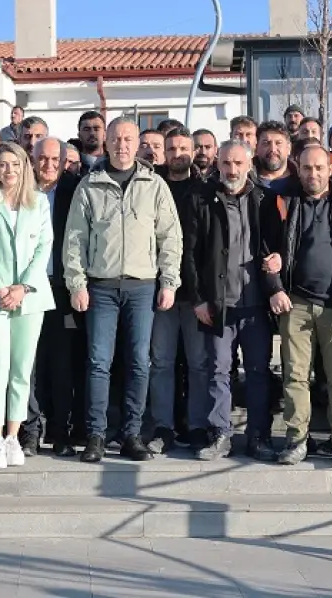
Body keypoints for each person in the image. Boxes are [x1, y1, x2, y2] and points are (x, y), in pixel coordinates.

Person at [62, 116, 182, 463]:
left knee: (139, 362)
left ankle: (132, 434)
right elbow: (75, 239)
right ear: (107, 142)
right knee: (99, 362)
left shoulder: (154, 185)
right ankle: (96, 435)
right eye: (116, 139)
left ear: (137, 143)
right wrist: (77, 283)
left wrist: (169, 281)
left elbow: (170, 237)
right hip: (101, 288)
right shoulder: (90, 185)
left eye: (128, 139)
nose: (122, 145)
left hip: (142, 287)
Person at [262, 145, 332, 466]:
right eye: (307, 168)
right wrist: (275, 288)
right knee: (295, 376)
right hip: (295, 303)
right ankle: (297, 439)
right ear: (297, 169)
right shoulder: (283, 201)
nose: (313, 174)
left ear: (330, 169)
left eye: (319, 168)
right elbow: (266, 250)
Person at [180, 140, 271, 460]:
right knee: (218, 371)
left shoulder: (264, 199)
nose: (232, 170)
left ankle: (258, 435)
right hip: (218, 305)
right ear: (217, 164)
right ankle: (220, 433)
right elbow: (189, 253)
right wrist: (198, 299)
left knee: (258, 371)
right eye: (226, 163)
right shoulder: (201, 198)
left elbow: (276, 245)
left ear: (250, 164)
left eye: (238, 163)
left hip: (256, 303)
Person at [0, 142, 55, 469]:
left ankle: (14, 437)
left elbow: (44, 246)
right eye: (3, 164)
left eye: (15, 164)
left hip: (29, 296)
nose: (9, 170)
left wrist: (23, 287)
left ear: (24, 167)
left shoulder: (39, 202)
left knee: (21, 369)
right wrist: (0, 288)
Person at [145, 128, 208, 454]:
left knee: (198, 363)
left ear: (193, 151)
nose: (178, 154)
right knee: (161, 362)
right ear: (164, 153)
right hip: (159, 289)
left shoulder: (205, 189)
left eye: (184, 148)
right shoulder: (152, 186)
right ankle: (163, 427)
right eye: (171, 148)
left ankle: (197, 426)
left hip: (195, 292)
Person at [24, 137, 80, 456]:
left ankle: (60, 432)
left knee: (62, 364)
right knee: (28, 364)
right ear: (32, 160)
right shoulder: (20, 189)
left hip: (62, 289)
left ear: (64, 162)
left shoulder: (75, 189)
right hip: (27, 288)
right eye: (42, 159)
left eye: (54, 159)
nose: (48, 165)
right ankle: (30, 431)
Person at [255, 121, 294, 195]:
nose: (272, 149)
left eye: (278, 143)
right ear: (256, 148)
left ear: (289, 148)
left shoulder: (303, 183)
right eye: (266, 143)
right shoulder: (245, 183)